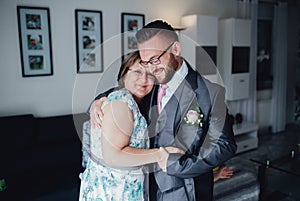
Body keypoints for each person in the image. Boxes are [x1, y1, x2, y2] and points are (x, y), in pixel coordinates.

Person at [90, 20, 237, 201]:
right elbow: (126, 92)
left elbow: (224, 145)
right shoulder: (149, 86)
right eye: (146, 62)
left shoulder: (211, 93)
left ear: (175, 49)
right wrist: (99, 100)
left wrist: (177, 165)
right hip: (144, 189)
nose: (151, 68)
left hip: (187, 191)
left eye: (155, 60)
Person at [79, 51, 184, 201]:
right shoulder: (121, 101)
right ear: (123, 74)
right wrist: (161, 154)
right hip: (113, 191)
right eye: (138, 71)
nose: (144, 79)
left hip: (126, 187)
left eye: (150, 75)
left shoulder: (140, 102)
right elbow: (113, 156)